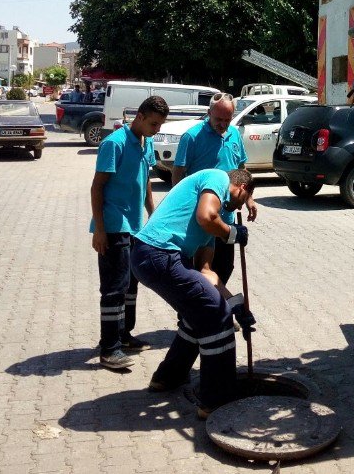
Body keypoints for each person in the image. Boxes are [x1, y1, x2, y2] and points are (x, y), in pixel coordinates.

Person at [130, 167, 255, 418]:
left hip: (153, 258)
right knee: (217, 317)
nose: (237, 209)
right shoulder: (218, 177)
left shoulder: (212, 223)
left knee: (199, 313)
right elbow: (206, 217)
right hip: (160, 254)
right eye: (242, 201)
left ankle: (168, 377)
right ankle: (216, 401)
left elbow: (206, 273)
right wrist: (232, 234)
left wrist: (235, 304)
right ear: (242, 189)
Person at [90, 94, 169, 370]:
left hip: (136, 227)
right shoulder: (114, 143)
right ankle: (109, 349)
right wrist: (99, 229)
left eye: (160, 125)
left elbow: (146, 181)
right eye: (154, 124)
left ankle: (124, 335)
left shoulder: (145, 143)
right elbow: (97, 187)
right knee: (114, 287)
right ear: (140, 117)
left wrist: (153, 215)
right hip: (113, 226)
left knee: (131, 284)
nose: (157, 129)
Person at [172, 92, 258, 284]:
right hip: (201, 217)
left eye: (227, 120)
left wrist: (249, 198)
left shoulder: (234, 133)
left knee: (225, 266)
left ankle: (212, 306)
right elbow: (178, 173)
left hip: (226, 217)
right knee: (199, 271)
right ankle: (191, 312)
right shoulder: (192, 137)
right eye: (219, 119)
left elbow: (241, 169)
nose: (223, 124)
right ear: (209, 112)